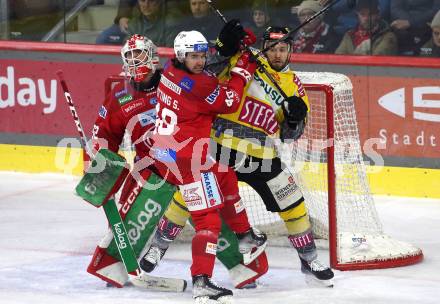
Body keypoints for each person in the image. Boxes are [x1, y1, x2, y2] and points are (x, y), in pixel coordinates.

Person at [141, 22, 335, 287]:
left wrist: (294, 118)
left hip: (259, 155)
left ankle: (308, 258)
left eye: (283, 49)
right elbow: (206, 69)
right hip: (219, 147)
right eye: (273, 48)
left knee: (292, 201)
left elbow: (290, 136)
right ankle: (158, 246)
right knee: (187, 197)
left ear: (290, 51)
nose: (277, 54)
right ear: (264, 48)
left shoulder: (295, 88)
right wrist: (225, 45)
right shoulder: (244, 60)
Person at [86, 33, 268, 290]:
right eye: (130, 58)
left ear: (155, 58)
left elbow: (202, 66)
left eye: (140, 56)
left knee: (212, 202)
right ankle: (116, 265)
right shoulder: (121, 96)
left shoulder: (173, 76)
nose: (136, 63)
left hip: (179, 158)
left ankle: (240, 268)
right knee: (201, 212)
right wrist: (97, 168)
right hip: (153, 169)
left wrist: (224, 48)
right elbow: (102, 137)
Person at [148, 30, 267, 302]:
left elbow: (209, 78)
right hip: (188, 160)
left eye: (202, 55)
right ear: (181, 56)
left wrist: (233, 52)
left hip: (166, 153)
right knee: (208, 220)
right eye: (193, 56)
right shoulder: (199, 85)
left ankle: (245, 235)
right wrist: (245, 67)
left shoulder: (169, 70)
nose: (199, 61)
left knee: (225, 175)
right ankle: (202, 281)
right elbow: (231, 100)